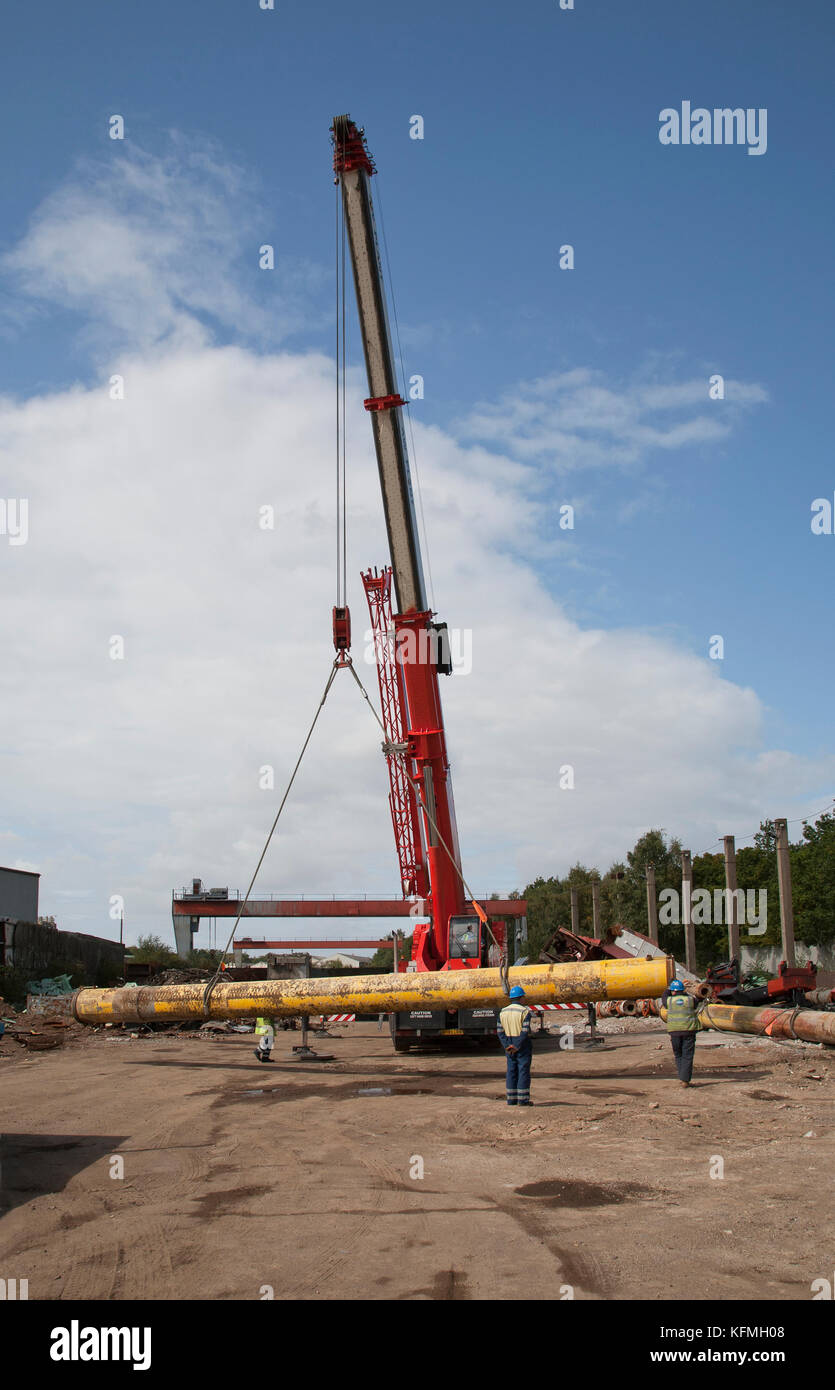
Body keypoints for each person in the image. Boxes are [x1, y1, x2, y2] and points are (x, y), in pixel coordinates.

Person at [497, 985, 534, 1106]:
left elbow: (500, 1031)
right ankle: (523, 1099)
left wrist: (507, 1045)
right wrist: (517, 1045)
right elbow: (525, 1031)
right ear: (521, 998)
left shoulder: (503, 1012)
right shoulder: (524, 1012)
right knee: (523, 1071)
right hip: (522, 1044)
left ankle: (511, 1099)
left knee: (511, 1071)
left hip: (509, 1044)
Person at [662, 979, 701, 1086]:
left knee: (678, 1054)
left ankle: (682, 1077)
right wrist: (686, 990)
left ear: (673, 991)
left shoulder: (669, 1001)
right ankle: (685, 1079)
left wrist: (668, 989)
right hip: (689, 1031)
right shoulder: (690, 1000)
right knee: (687, 1055)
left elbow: (664, 997)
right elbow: (698, 1000)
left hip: (674, 1032)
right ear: (682, 990)